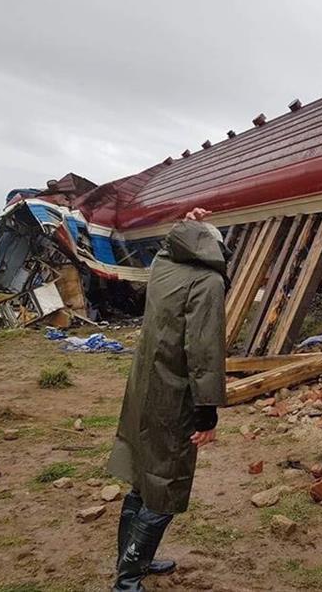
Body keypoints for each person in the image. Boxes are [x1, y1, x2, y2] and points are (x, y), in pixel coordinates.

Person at [106, 211, 227, 592]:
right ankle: (128, 580)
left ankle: (129, 558)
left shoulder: (163, 266)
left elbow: (170, 245)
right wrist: (207, 411)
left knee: (143, 478)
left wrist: (183, 222)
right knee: (167, 484)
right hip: (174, 395)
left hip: (144, 388)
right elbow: (204, 349)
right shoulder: (208, 282)